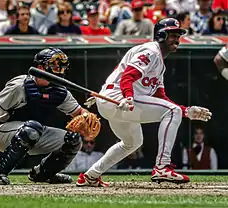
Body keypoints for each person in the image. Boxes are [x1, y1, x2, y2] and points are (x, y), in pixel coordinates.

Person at [76, 18, 212, 187]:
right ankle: (162, 166)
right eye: (172, 35)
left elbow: (161, 97)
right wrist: (127, 96)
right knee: (171, 112)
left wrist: (185, 111)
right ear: (161, 35)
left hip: (118, 102)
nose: (176, 39)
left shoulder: (160, 64)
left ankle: (91, 175)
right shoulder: (151, 51)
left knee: (132, 142)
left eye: (178, 35)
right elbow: (128, 76)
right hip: (118, 98)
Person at [0, 47, 94, 185]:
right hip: (4, 132)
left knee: (73, 140)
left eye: (61, 67)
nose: (59, 70)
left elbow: (78, 111)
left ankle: (44, 173)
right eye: (54, 66)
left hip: (35, 132)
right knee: (31, 129)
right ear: (41, 67)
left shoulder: (60, 90)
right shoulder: (20, 86)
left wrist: (86, 116)